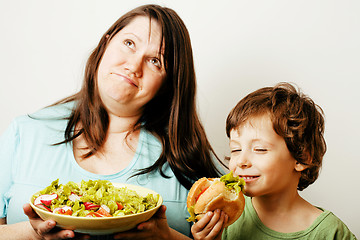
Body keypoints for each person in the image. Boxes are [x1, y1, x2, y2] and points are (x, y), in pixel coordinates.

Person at [0, 4, 223, 239]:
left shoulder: (187, 154)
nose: (133, 66)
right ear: (106, 43)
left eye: (155, 61)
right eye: (129, 44)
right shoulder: (24, 132)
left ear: (168, 83)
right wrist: (33, 234)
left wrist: (168, 238)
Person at [191, 82, 357, 240]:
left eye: (260, 149)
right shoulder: (224, 218)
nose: (241, 161)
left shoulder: (330, 232)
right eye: (235, 150)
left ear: (302, 158)